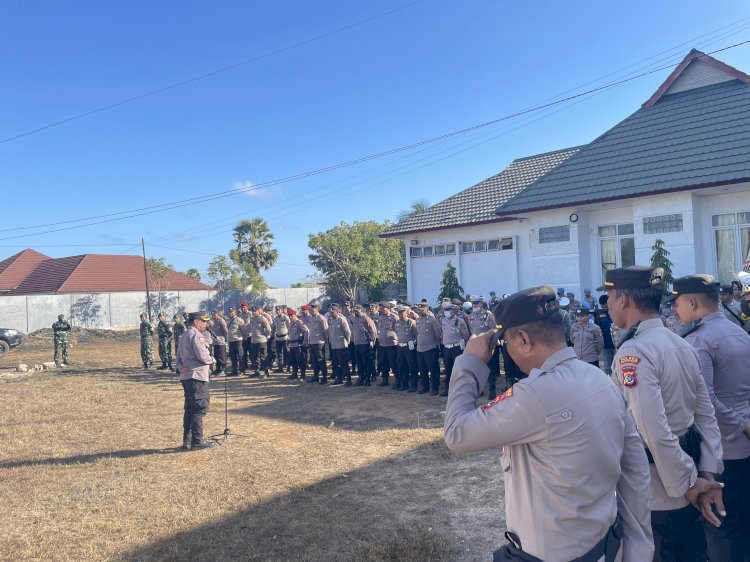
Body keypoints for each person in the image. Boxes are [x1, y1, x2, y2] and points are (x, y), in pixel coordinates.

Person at [444, 285, 654, 561]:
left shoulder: (534, 394)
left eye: (506, 343)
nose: (508, 351)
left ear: (523, 339)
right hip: (604, 546)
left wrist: (469, 363)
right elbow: (635, 470)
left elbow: (457, 434)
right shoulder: (599, 379)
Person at [600, 265, 725, 562]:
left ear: (624, 299)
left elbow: (652, 430)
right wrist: (706, 470)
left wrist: (691, 484)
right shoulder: (679, 343)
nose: (607, 305)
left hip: (658, 492)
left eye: (609, 297)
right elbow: (705, 416)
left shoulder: (635, 353)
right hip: (689, 477)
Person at [669, 274, 750, 561]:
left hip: (721, 451)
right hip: (742, 442)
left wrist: (741, 425)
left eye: (677, 303)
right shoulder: (738, 331)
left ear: (691, 301)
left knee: (721, 529)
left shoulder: (699, 340)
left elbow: (706, 402)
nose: (675, 310)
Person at [175, 311, 216, 450]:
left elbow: (178, 356)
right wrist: (213, 360)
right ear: (196, 322)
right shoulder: (196, 335)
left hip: (186, 376)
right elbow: (203, 356)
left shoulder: (184, 335)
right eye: (203, 321)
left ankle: (187, 441)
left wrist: (179, 367)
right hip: (197, 376)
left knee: (190, 408)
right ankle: (197, 441)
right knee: (199, 407)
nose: (205, 324)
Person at [468, 297, 498, 399]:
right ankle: (479, 390)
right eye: (473, 304)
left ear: (481, 304)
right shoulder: (470, 316)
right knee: (477, 369)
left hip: (487, 346)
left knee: (490, 370)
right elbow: (471, 330)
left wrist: (492, 345)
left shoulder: (488, 315)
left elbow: (493, 329)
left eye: (476, 303)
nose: (475, 305)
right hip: (476, 347)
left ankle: (492, 391)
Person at [439, 302, 469, 396]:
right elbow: (441, 333)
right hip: (446, 349)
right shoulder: (443, 320)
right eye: (445, 310)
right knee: (448, 370)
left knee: (459, 370)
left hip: (457, 348)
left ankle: (461, 390)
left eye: (448, 310)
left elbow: (465, 335)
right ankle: (448, 389)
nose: (446, 312)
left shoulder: (459, 321)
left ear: (452, 311)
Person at [416, 301, 442, 395]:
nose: (420, 312)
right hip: (420, 348)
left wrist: (436, 346)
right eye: (419, 310)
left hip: (430, 348)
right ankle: (425, 387)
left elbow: (437, 334)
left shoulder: (432, 320)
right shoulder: (418, 320)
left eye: (422, 310)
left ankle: (435, 387)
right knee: (422, 369)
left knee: (433, 369)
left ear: (427, 309)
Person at [350, 304, 376, 386]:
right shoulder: (354, 319)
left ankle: (367, 379)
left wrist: (372, 342)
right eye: (354, 311)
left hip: (365, 344)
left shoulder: (366, 319)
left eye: (357, 311)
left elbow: (373, 331)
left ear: (361, 310)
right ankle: (361, 378)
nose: (355, 313)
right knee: (359, 363)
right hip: (357, 344)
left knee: (366, 362)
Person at [395, 304, 418, 392]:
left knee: (412, 366)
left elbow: (417, 334)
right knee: (401, 366)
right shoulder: (397, 322)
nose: (400, 314)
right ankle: (404, 384)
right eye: (399, 313)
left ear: (406, 313)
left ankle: (413, 385)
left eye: (402, 312)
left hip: (409, 347)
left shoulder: (411, 322)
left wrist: (413, 343)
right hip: (400, 347)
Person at [327, 304, 352, 385]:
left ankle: (348, 379)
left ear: (337, 312)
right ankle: (339, 378)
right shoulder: (330, 320)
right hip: (333, 345)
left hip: (341, 345)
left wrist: (347, 342)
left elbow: (347, 332)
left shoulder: (342, 320)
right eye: (330, 312)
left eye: (333, 312)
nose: (331, 313)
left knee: (343, 363)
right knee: (335, 363)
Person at [377, 302, 399, 387]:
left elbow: (398, 329)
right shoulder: (380, 317)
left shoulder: (394, 317)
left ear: (388, 308)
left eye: (383, 308)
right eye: (380, 309)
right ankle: (385, 379)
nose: (381, 310)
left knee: (393, 363)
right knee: (383, 363)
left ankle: (398, 380)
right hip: (382, 344)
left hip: (391, 344)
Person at [306, 303, 329, 384]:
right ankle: (315, 376)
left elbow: (326, 330)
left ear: (317, 309)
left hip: (319, 342)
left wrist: (325, 340)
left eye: (312, 310)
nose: (311, 311)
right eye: (310, 310)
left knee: (321, 360)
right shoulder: (310, 318)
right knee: (314, 360)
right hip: (312, 342)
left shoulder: (321, 318)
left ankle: (324, 377)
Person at [594, 295, 616, 374]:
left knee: (617, 365)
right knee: (607, 367)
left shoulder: (617, 311)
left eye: (606, 306)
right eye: (603, 306)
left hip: (618, 343)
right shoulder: (598, 313)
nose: (604, 308)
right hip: (606, 344)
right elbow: (597, 327)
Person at [248, 306, 272, 378]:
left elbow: (268, 330)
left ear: (259, 311)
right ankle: (256, 371)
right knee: (255, 357)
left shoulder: (263, 319)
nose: (254, 312)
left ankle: (266, 371)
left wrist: (265, 336)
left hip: (261, 340)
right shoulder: (252, 319)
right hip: (254, 340)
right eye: (253, 311)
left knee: (263, 357)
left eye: (255, 311)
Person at [287, 309, 309, 380]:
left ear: (295, 315)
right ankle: (294, 373)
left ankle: (303, 374)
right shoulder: (290, 323)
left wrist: (305, 341)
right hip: (292, 344)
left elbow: (306, 331)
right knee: (293, 360)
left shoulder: (299, 322)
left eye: (292, 316)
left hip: (298, 345)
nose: (290, 317)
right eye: (289, 316)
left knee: (300, 360)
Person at [226, 307, 244, 376]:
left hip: (238, 340)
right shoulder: (228, 320)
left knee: (240, 356)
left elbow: (243, 330)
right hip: (231, 341)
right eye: (230, 312)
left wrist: (242, 338)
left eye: (232, 312)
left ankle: (241, 370)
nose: (231, 313)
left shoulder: (239, 320)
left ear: (235, 312)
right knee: (232, 357)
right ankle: (234, 370)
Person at [272, 306, 290, 373]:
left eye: (279, 310)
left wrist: (289, 336)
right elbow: (274, 327)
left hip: (285, 337)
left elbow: (289, 326)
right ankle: (280, 367)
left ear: (282, 310)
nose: (277, 311)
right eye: (276, 310)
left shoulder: (285, 317)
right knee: (279, 353)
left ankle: (288, 368)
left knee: (287, 353)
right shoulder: (275, 318)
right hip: (278, 338)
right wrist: (273, 333)